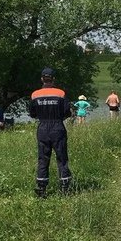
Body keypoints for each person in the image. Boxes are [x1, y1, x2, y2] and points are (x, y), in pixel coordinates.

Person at [29, 67, 73, 197]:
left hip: (42, 127)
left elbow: (32, 113)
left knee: (43, 158)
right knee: (62, 157)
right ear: (53, 79)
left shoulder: (35, 94)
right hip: (57, 126)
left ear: (42, 79)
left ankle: (41, 188)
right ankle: (65, 186)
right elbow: (67, 112)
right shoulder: (61, 93)